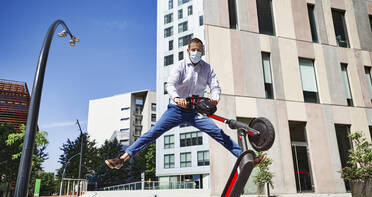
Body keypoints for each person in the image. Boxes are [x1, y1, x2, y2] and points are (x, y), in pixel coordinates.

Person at [105, 38, 266, 169]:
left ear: (202, 52)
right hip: (176, 109)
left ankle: (248, 158)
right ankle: (122, 159)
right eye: (193, 49)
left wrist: (215, 97)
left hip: (196, 111)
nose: (196, 52)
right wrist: (176, 98)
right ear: (188, 51)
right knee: (152, 133)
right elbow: (170, 84)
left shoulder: (207, 69)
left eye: (199, 50)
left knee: (218, 133)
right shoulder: (180, 66)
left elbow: (215, 85)